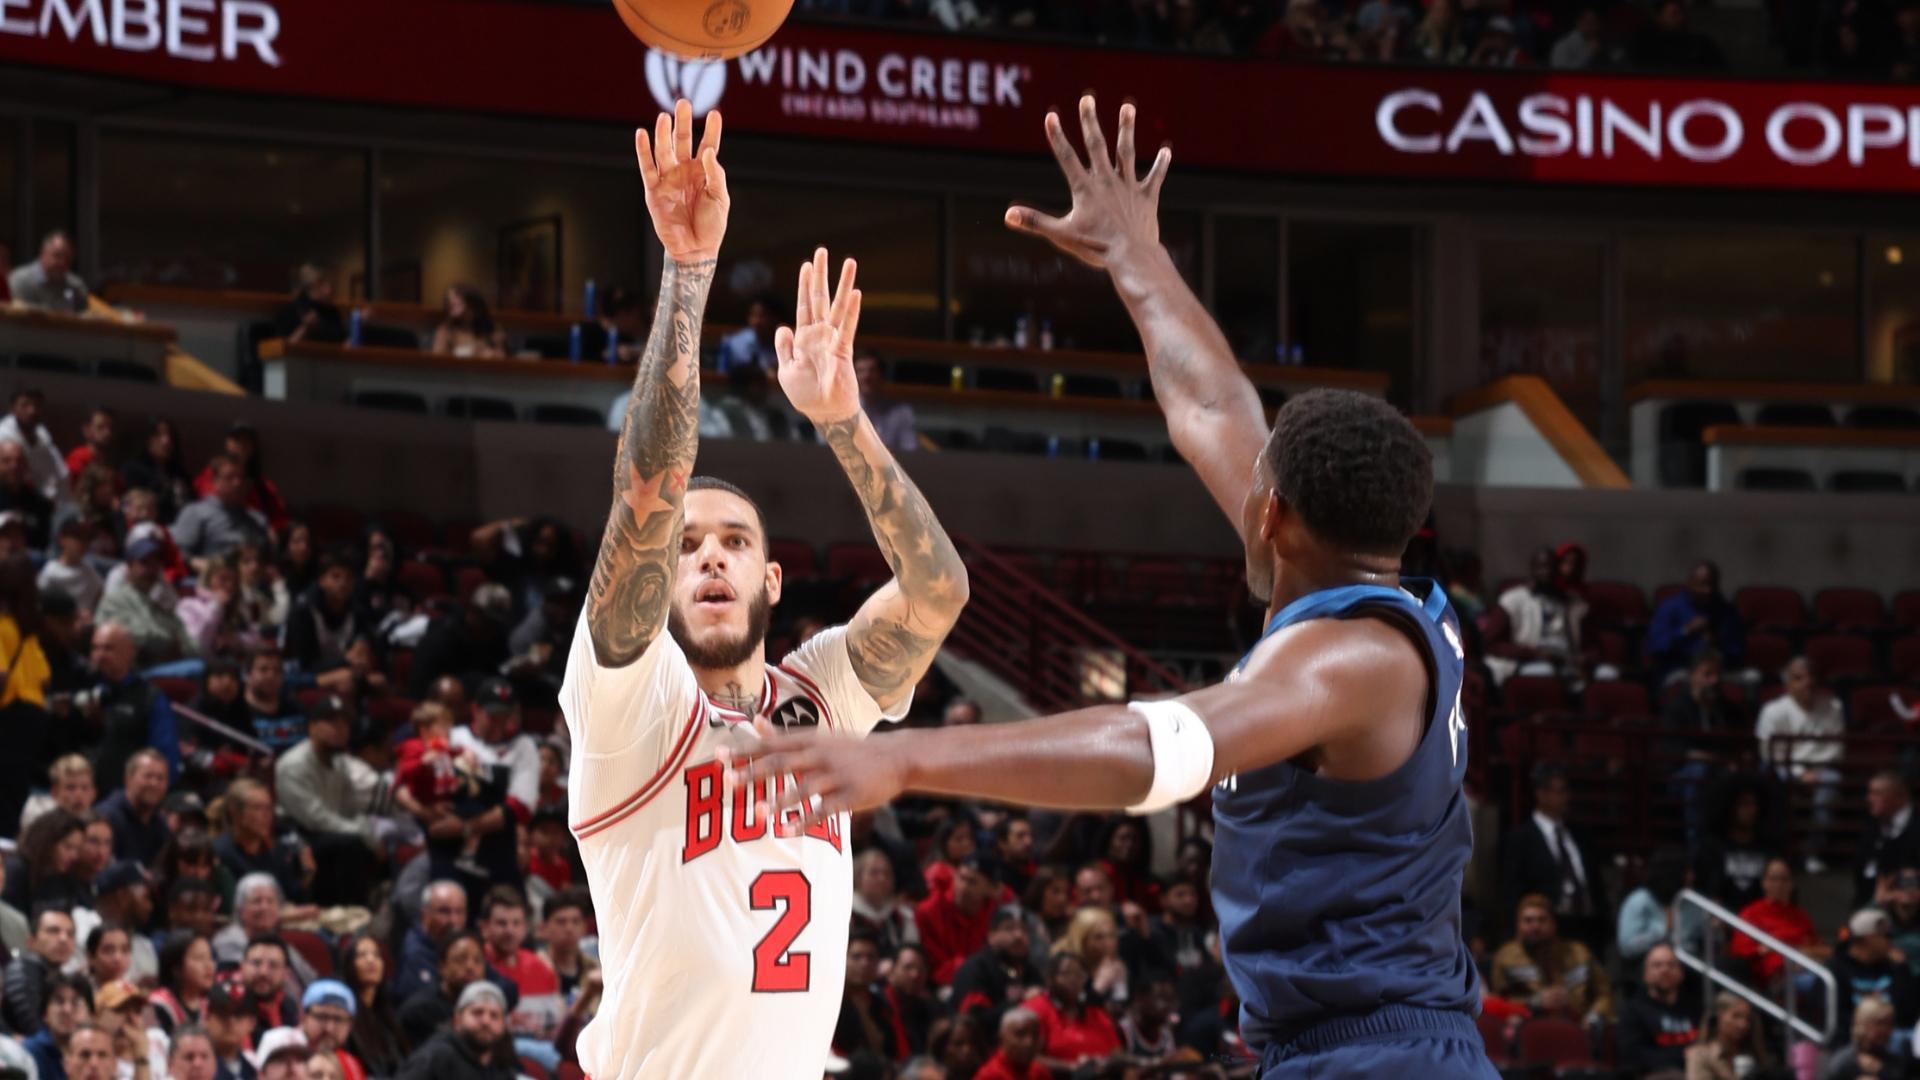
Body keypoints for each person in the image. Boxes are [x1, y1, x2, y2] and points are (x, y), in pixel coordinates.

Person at [734, 96, 1492, 1079]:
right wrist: (1135, 254)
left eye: (1256, 480)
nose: (1243, 473)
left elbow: (1159, 745)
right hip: (1356, 1048)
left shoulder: (1351, 661)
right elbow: (1213, 401)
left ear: (1275, 516)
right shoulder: (1352, 588)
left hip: (1384, 1057)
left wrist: (905, 759)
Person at [559, 101, 969, 1080]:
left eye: (734, 542)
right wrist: (689, 275)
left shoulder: (820, 694)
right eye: (688, 545)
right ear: (658, 584)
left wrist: (843, 423)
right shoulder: (634, 703)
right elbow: (647, 493)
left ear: (771, 577)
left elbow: (939, 589)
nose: (706, 557)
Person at [273, 696, 385, 905]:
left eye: (344, 723)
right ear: (312, 727)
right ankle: (346, 908)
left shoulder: (339, 761)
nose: (340, 729)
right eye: (332, 722)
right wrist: (362, 833)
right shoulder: (292, 765)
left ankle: (368, 903)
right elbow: (315, 818)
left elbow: (350, 808)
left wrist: (369, 834)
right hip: (297, 833)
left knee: (371, 839)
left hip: (330, 830)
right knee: (351, 843)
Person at [1502, 762, 1606, 948]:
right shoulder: (1521, 838)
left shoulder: (1580, 835)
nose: (1565, 797)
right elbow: (1512, 889)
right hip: (1545, 928)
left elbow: (1595, 883)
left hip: (1587, 926)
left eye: (1566, 791)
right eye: (1559, 791)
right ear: (1541, 794)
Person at [1758, 656, 1846, 865]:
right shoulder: (1772, 711)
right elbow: (1768, 752)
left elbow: (1837, 748)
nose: (1807, 682)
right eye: (1799, 678)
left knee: (1831, 782)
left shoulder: (1833, 706)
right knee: (1770, 779)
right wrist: (1798, 773)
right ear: (1787, 683)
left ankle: (1812, 851)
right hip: (1783, 767)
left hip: (1822, 768)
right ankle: (1777, 852)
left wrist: (1816, 771)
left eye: (1811, 677)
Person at [1488, 895, 1613, 1025]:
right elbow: (1496, 1002)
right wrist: (1535, 1001)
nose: (1535, 926)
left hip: (1580, 1027)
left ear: (1553, 924)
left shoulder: (1579, 953)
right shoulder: (1505, 957)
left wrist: (1593, 1018)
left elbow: (1604, 994)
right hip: (1528, 1028)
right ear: (1518, 925)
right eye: (1528, 920)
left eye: (1542, 920)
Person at [1483, 547, 1590, 687]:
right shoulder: (1512, 600)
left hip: (1568, 661)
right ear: (1532, 570)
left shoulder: (1575, 604)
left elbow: (1592, 644)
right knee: (1544, 673)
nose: (1547, 572)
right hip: (1529, 660)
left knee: (1606, 675)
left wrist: (1587, 657)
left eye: (1552, 567)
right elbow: (1491, 643)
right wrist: (1534, 654)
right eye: (1541, 567)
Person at [95, 542, 199, 668]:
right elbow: (132, 639)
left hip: (169, 669)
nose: (151, 569)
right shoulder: (114, 602)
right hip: (135, 673)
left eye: (155, 563)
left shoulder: (160, 604)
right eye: (144, 563)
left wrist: (181, 649)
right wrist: (169, 643)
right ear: (130, 567)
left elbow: (191, 644)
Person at [1731, 857, 1829, 986]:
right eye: (1773, 879)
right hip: (1775, 977)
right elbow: (1742, 953)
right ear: (1763, 882)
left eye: (1784, 879)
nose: (1779, 884)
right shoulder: (1750, 913)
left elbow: (1818, 947)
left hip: (1807, 967)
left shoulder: (1801, 916)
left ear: (1792, 884)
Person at [1020, 952, 1120, 1072]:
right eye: (1066, 974)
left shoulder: (1095, 1011)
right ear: (1050, 978)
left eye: (1079, 975)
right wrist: (1071, 1068)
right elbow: (1026, 1057)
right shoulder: (1034, 1009)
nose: (1073, 980)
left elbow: (1116, 1053)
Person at [171, 456, 272, 574]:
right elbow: (177, 553)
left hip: (253, 584)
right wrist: (203, 565)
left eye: (241, 477)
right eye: (230, 477)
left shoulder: (258, 520)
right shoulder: (196, 512)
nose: (237, 483)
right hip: (212, 582)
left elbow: (267, 560)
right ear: (216, 481)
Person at [1647, 561, 1745, 682]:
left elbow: (1737, 651)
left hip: (1720, 671)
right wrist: (1685, 631)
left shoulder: (1726, 611)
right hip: (1681, 670)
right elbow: (1657, 647)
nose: (1708, 590)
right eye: (1702, 585)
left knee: (1752, 677)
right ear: (1689, 584)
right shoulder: (1669, 608)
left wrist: (1718, 642)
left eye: (1712, 585)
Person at [1828, 909, 1920, 1037]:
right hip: (1854, 1039)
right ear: (1868, 938)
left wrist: (1902, 969)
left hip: (1893, 1035)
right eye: (1886, 936)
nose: (1890, 941)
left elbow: (1908, 1012)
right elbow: (1836, 1017)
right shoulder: (1836, 969)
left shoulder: (1893, 967)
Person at [396, 981, 514, 1080]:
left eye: (494, 1016)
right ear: (457, 1019)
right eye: (477, 1012)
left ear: (503, 1025)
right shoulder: (436, 1057)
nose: (486, 1021)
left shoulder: (501, 1064)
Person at [1616, 943, 1698, 1079]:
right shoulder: (1632, 1011)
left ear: (1681, 973)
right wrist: (1685, 1055)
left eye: (1671, 965)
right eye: (1657, 965)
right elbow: (1634, 1057)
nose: (1665, 970)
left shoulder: (1695, 1007)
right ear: (1645, 975)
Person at [949, 907, 1040, 1027]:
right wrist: (1021, 1003)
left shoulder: (1031, 972)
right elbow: (973, 1022)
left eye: (1024, 929)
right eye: (1009, 928)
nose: (1019, 936)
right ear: (991, 936)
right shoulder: (976, 969)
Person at [917, 856, 999, 988]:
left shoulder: (993, 914)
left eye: (972, 882)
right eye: (961, 878)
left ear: (989, 889)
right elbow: (935, 969)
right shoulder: (930, 911)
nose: (963, 887)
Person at [832, 929, 905, 1061]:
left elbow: (900, 1053)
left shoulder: (883, 1005)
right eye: (856, 957)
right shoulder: (830, 1003)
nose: (864, 963)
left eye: (871, 957)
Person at [6, 906, 79, 1033]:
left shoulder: (60, 976)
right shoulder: (24, 970)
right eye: (53, 931)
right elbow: (31, 1027)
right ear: (31, 941)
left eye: (70, 934)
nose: (63, 939)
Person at [1855, 771, 1919, 910]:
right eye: (1870, 793)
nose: (1869, 798)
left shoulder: (1915, 827)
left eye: (1877, 793)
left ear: (1899, 797)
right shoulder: (1873, 822)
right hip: (1871, 905)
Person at [97, 751, 172, 865]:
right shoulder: (105, 817)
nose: (154, 783)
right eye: (148, 776)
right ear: (128, 778)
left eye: (160, 778)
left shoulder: (160, 824)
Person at [22, 972, 92, 1080]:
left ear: (90, 1014)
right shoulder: (30, 1053)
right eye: (59, 1001)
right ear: (45, 1014)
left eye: (75, 1002)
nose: (67, 1010)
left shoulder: (99, 1050)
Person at [1684, 992, 1769, 1079]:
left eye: (1747, 1019)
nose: (1743, 1024)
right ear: (1720, 1016)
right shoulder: (1699, 1055)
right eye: (1736, 1016)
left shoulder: (1752, 1055)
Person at [851, 849, 920, 955]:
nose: (882, 879)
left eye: (887, 873)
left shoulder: (902, 917)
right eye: (874, 873)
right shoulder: (845, 913)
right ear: (858, 877)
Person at [121, 422, 192, 524]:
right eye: (158, 435)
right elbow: (134, 504)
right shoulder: (133, 469)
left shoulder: (178, 472)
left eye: (170, 436)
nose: (166, 441)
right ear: (148, 439)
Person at [149, 933, 215, 1039]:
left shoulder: (210, 1004)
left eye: (210, 957)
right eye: (199, 958)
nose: (209, 966)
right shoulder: (159, 1004)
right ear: (176, 968)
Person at [1824, 995, 1907, 1080]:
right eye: (1880, 1023)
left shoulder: (1894, 1062)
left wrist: (1881, 1070)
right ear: (1863, 1024)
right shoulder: (1842, 1062)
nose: (1887, 1030)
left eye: (1890, 1024)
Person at [9, 231, 88, 313]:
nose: (62, 263)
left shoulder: (75, 286)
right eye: (57, 256)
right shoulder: (21, 280)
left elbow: (83, 318)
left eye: (68, 259)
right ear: (43, 253)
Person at [273, 265, 348, 347]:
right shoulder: (289, 312)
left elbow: (343, 345)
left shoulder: (333, 313)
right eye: (324, 284)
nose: (330, 290)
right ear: (312, 286)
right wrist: (305, 327)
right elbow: (282, 349)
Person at [429, 285, 506, 360]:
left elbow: (502, 357)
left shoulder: (492, 328)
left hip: (485, 371)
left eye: (457, 300)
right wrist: (476, 354)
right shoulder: (445, 330)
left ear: (472, 305)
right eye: (449, 302)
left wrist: (494, 354)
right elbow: (438, 358)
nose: (451, 303)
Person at [973, 1008, 1047, 1080]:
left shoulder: (1040, 1072)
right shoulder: (988, 1075)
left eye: (1035, 1035)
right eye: (1020, 1034)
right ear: (1001, 1037)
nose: (1029, 1042)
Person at [714, 294, 778, 376]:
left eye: (762, 316)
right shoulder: (731, 343)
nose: (757, 321)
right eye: (754, 315)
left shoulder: (779, 344)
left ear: (773, 318)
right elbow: (721, 376)